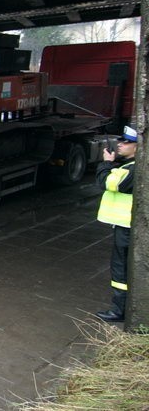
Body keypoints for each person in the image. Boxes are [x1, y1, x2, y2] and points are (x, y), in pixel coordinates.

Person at [95, 125, 138, 323]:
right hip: (126, 225)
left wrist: (106, 164)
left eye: (126, 141)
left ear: (138, 146)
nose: (120, 144)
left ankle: (119, 310)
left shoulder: (132, 169)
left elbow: (106, 182)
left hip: (127, 227)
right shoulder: (129, 165)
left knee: (120, 267)